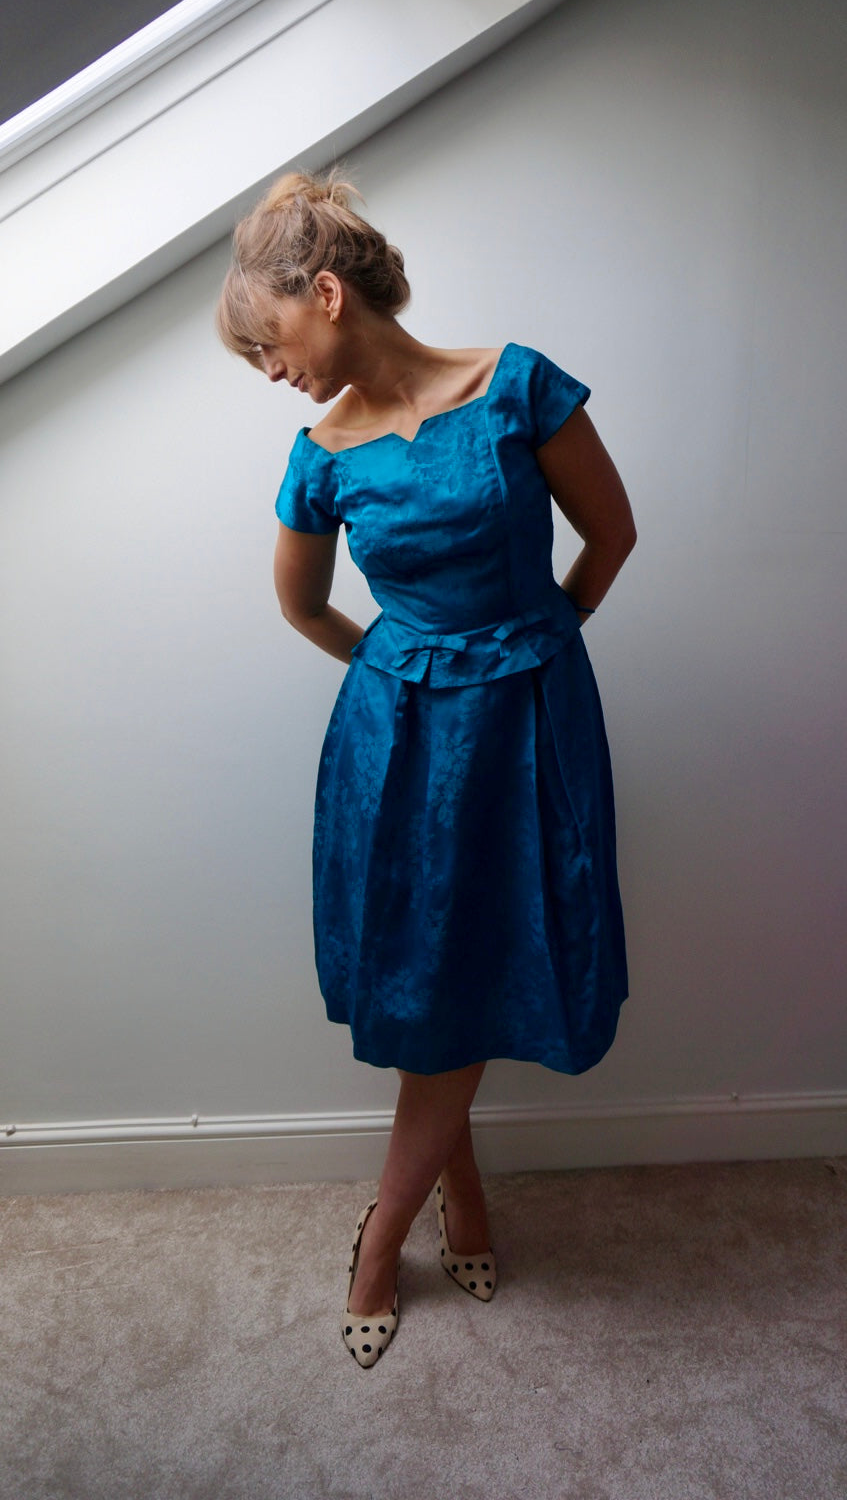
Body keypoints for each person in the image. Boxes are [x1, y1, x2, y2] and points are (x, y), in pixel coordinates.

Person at [216, 170, 636, 1368]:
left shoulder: (516, 385)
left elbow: (610, 534)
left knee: (490, 951)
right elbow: (305, 607)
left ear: (326, 294)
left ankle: (389, 1227)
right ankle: (436, 1208)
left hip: (530, 720)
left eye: (268, 341)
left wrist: (536, 642)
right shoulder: (318, 454)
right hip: (398, 739)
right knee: (425, 970)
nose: (270, 371)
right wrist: (402, 672)